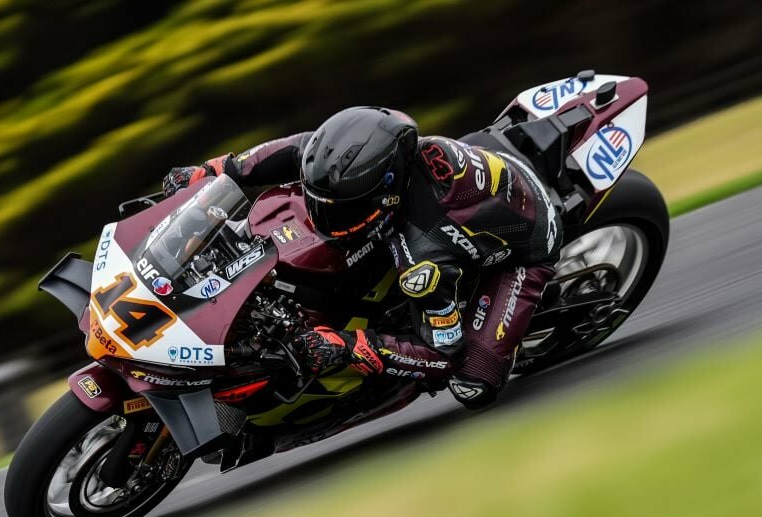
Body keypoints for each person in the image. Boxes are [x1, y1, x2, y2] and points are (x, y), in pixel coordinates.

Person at [162, 107, 561, 409]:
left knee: (471, 382)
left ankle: (505, 336)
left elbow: (442, 356)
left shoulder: (423, 255)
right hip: (486, 171)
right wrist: (211, 171)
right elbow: (292, 151)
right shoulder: (367, 154)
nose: (324, 219)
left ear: (387, 194)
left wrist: (346, 346)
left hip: (523, 251)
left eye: (342, 211)